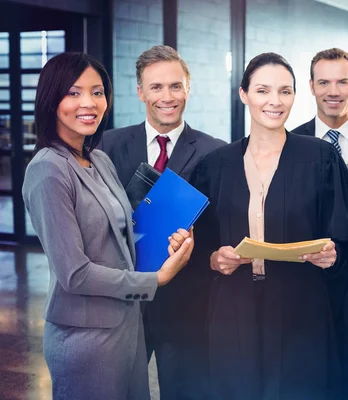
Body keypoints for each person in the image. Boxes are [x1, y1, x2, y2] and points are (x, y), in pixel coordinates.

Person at [191, 52, 348, 400]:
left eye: (285, 92)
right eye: (262, 90)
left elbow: (343, 242)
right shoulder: (215, 166)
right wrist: (215, 259)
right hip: (234, 309)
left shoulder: (320, 158)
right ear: (244, 94)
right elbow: (200, 248)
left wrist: (332, 256)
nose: (275, 101)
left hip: (301, 311)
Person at [21, 52, 194, 400]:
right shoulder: (48, 170)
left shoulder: (97, 158)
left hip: (126, 328)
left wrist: (171, 240)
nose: (89, 102)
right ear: (50, 99)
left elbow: (123, 231)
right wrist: (156, 279)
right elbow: (74, 273)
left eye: (97, 92)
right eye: (73, 92)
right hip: (86, 337)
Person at [98, 45, 225, 399]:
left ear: (188, 88)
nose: (166, 97)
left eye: (175, 86)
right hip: (124, 304)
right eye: (156, 87)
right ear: (140, 91)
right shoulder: (108, 144)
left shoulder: (216, 152)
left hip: (186, 306)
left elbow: (221, 228)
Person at [292, 48, 348, 163]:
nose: (333, 92)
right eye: (324, 83)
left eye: (342, 82)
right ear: (312, 87)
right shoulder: (292, 143)